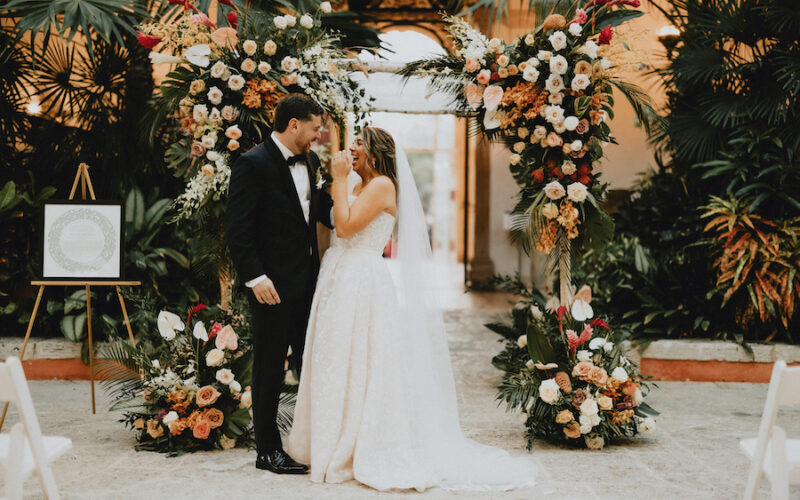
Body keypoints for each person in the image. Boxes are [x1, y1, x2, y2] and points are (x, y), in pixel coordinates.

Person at [287, 127, 538, 491]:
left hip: (361, 282)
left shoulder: (382, 186)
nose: (350, 148)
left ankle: (356, 444)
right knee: (336, 359)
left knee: (362, 360)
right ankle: (331, 438)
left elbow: (345, 227)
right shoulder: (358, 184)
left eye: (358, 143)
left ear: (375, 154)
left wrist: (338, 180)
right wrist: (338, 185)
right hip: (338, 280)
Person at [224, 93, 333, 474]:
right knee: (270, 368)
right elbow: (237, 229)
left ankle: (316, 442)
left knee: (311, 363)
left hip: (308, 281)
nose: (318, 135)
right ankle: (267, 451)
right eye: (315, 128)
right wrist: (256, 278)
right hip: (270, 286)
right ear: (294, 125)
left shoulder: (312, 161)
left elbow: (315, 212)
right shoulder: (252, 164)